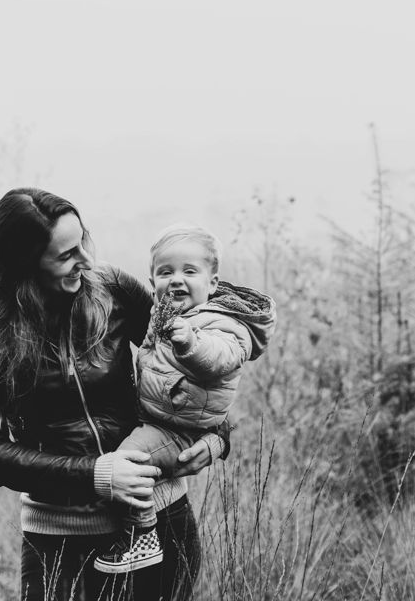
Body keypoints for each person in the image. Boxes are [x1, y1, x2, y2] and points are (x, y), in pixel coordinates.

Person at [0, 189, 231, 601]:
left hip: (161, 520)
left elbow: (189, 365)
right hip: (59, 540)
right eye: (65, 255)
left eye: (82, 242)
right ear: (22, 264)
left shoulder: (112, 290)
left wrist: (219, 435)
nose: (85, 260)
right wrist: (96, 474)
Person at [94, 224, 275, 574]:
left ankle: (141, 535)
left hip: (178, 431)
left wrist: (189, 343)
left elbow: (220, 358)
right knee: (132, 462)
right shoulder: (167, 314)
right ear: (152, 283)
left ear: (213, 283)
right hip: (162, 418)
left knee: (126, 465)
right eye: (166, 272)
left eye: (189, 271)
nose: (176, 279)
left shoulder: (222, 322)